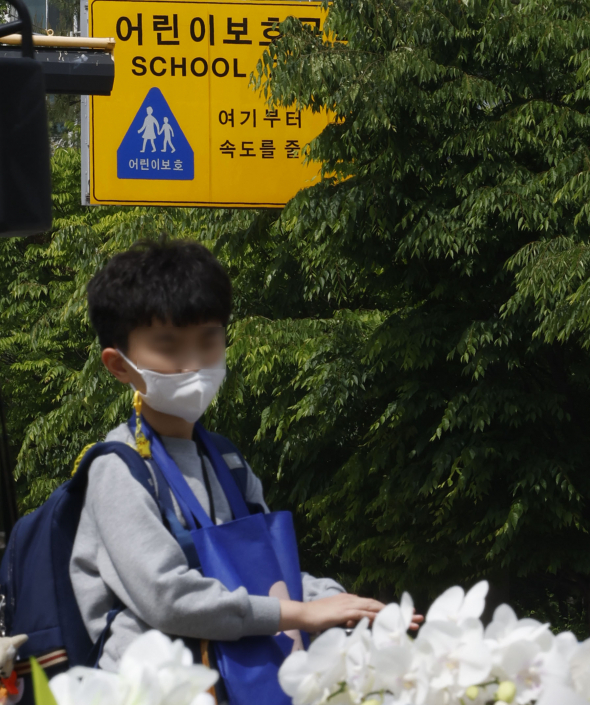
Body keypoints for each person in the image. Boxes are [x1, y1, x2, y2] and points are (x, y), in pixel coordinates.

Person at [71, 238, 384, 670]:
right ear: (119, 364)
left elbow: (273, 575)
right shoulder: (118, 468)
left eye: (208, 340)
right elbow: (168, 599)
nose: (192, 364)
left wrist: (339, 602)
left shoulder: (227, 462)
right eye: (168, 346)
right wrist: (302, 614)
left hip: (239, 690)